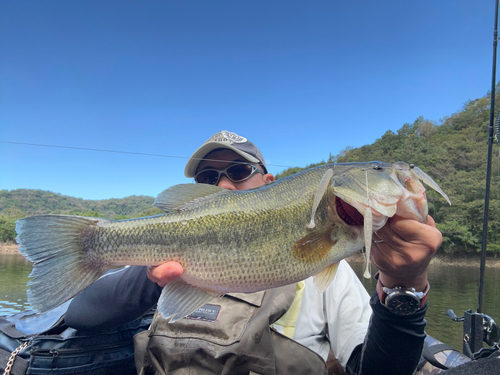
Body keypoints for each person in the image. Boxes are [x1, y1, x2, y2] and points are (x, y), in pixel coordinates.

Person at [65, 130, 442, 375]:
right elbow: (81, 314)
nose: (224, 185)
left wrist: (403, 284)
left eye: (238, 170)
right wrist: (152, 274)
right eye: (208, 179)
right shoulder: (163, 270)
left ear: (268, 181)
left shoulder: (330, 271)